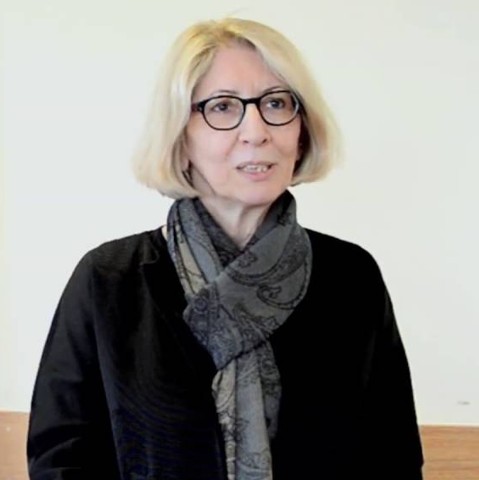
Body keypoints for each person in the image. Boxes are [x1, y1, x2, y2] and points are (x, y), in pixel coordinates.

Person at [27, 17, 424, 480]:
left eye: (276, 103)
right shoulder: (109, 280)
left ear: (301, 131)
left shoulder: (351, 277)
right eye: (222, 107)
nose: (256, 130)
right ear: (180, 136)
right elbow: (62, 459)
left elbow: (393, 457)